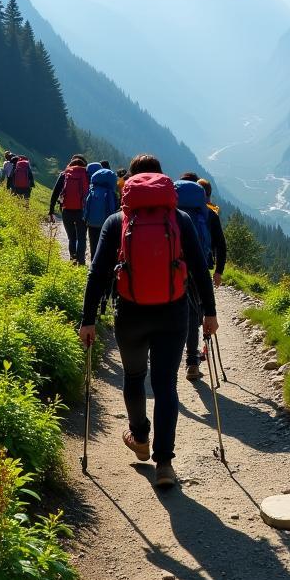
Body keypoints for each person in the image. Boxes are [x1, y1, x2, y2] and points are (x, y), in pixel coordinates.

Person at [78, 154, 218, 488]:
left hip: (131, 313)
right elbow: (200, 269)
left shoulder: (116, 221)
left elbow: (97, 273)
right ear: (162, 181)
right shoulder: (180, 219)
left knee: (135, 376)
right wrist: (209, 313)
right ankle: (165, 464)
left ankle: (140, 438)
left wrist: (87, 320)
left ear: (129, 185)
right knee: (167, 384)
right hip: (173, 313)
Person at [175, 172, 213, 382]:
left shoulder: (170, 214)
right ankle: (192, 362)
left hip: (172, 267)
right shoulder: (208, 214)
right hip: (198, 270)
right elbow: (218, 245)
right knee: (193, 315)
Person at [49, 155, 89, 264]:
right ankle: (81, 262)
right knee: (81, 237)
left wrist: (51, 211)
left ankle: (73, 259)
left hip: (66, 210)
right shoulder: (86, 174)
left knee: (72, 237)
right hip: (82, 211)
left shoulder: (65, 174)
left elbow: (55, 193)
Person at [83, 163, 119, 260]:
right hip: (106, 223)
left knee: (93, 245)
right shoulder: (111, 193)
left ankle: (93, 266)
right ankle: (106, 268)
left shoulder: (92, 190)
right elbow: (114, 209)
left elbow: (87, 205)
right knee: (106, 246)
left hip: (92, 223)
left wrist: (85, 219)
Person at [197, 178, 227, 288]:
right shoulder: (211, 215)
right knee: (205, 300)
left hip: (181, 263)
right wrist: (219, 272)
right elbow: (221, 245)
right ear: (209, 195)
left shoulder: (181, 211)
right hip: (203, 263)